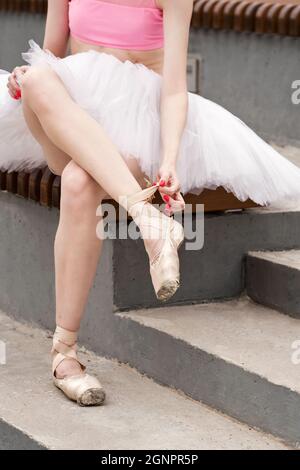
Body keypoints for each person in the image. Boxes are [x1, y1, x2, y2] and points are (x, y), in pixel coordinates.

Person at [0, 0, 300, 406]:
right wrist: (21, 79)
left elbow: (175, 89)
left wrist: (170, 157)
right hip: (67, 116)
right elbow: (51, 54)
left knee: (77, 181)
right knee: (36, 79)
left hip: (137, 126)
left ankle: (64, 353)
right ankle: (148, 217)